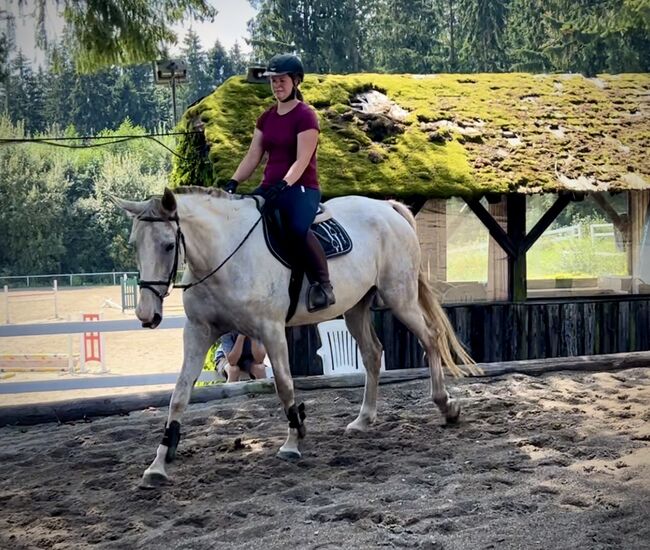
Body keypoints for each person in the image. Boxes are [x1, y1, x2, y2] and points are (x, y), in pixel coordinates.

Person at [222, 53, 336, 312]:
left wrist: (284, 183)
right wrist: (233, 181)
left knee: (296, 228)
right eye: (273, 81)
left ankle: (324, 284)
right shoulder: (266, 118)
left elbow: (303, 159)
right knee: (243, 222)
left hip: (302, 188)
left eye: (281, 80)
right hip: (271, 188)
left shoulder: (306, 116)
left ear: (296, 81)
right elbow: (253, 156)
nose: (277, 86)